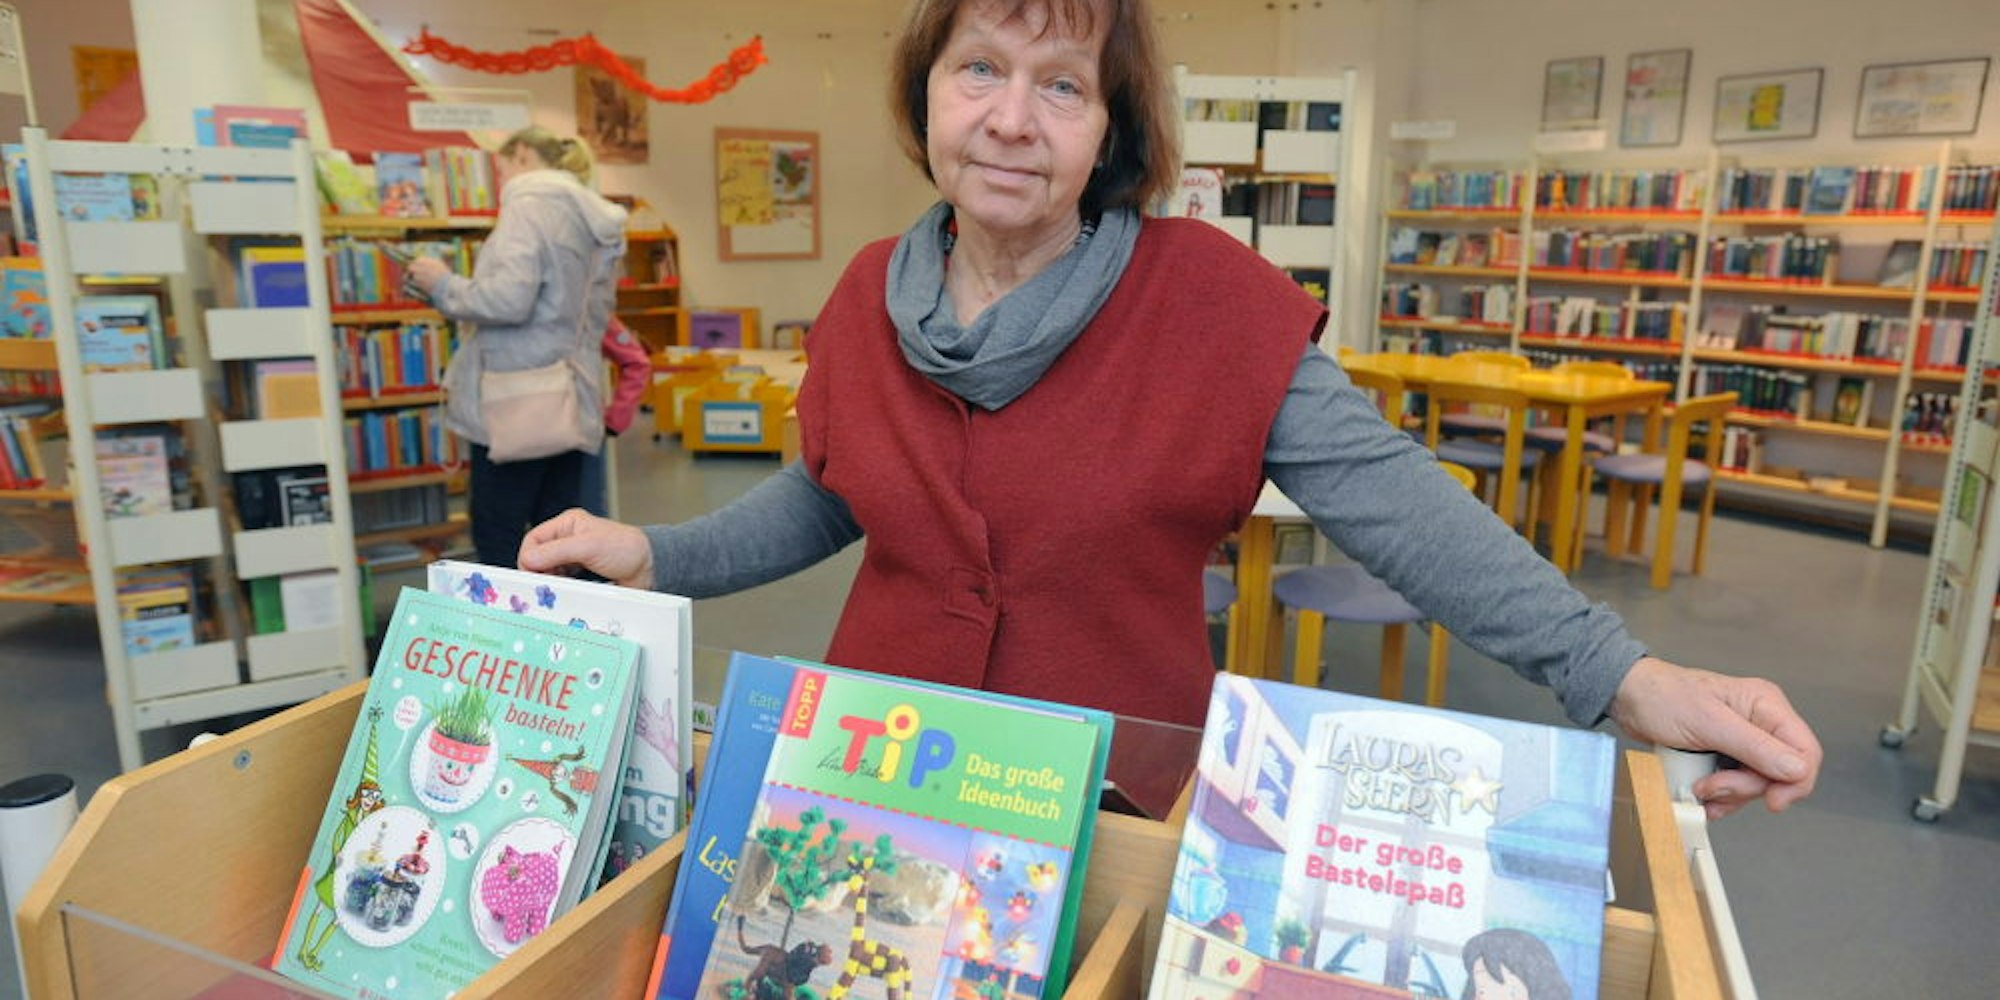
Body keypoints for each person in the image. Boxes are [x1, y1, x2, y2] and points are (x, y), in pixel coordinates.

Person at [519, 0, 1820, 819]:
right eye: (979, 68)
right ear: (926, 95)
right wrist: (656, 553)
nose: (1011, 119)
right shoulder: (869, 292)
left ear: (1111, 129)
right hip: (869, 772)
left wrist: (1619, 676)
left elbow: (1398, 502)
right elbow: (828, 491)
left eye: (1061, 85)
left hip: (1111, 800)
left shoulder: (1211, 303)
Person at [408, 126, 628, 567]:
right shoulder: (594, 216)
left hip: (516, 399)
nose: (501, 179)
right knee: (559, 531)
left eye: (501, 167)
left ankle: (508, 614)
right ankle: (561, 612)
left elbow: (508, 299)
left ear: (522, 154)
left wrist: (442, 284)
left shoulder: (529, 206)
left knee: (499, 531)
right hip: (572, 392)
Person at [579, 316, 654, 517]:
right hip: (515, 438)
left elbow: (636, 362)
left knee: (586, 516)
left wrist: (616, 419)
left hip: (582, 435)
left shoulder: (590, 310)